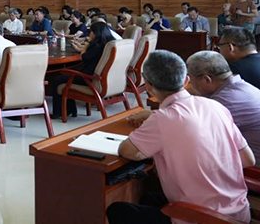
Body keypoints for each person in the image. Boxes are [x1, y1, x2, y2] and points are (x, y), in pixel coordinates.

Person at [106, 50, 254, 224]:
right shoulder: (215, 106)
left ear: (148, 86)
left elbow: (126, 150)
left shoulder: (163, 118)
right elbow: (247, 160)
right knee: (149, 198)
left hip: (204, 218)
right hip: (239, 212)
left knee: (118, 210)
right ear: (185, 80)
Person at [187, 51, 260, 166]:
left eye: (190, 80)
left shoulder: (223, 102)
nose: (190, 85)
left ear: (206, 80)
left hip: (252, 169)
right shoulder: (242, 86)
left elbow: (194, 134)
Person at [50, 22, 114, 119]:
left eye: (91, 32)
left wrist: (87, 44)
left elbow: (83, 57)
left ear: (95, 33)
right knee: (66, 76)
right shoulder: (107, 44)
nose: (89, 34)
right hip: (101, 78)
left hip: (88, 78)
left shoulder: (96, 46)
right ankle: (70, 110)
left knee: (57, 79)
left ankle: (59, 112)